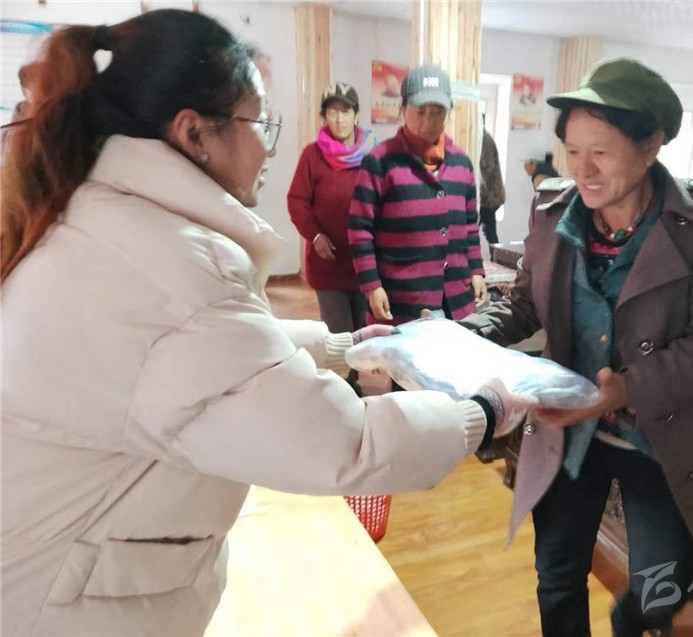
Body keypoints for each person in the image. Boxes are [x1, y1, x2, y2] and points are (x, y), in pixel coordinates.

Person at [0, 12, 528, 636]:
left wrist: (343, 346)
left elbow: (216, 360)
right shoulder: (170, 268)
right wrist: (482, 411)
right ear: (195, 133)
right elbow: (344, 444)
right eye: (261, 123)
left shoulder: (119, 227)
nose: (270, 146)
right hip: (59, 602)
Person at [459, 58, 693, 637]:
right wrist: (456, 333)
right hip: (568, 429)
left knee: (659, 590)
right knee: (556, 574)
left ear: (650, 146)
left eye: (600, 151)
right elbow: (524, 303)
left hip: (663, 433)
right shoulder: (553, 212)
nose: (582, 169)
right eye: (573, 151)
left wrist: (629, 389)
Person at [348, 63, 487, 326]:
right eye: (420, 111)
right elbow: (360, 230)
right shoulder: (380, 162)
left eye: (438, 112)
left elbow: (470, 226)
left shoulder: (461, 163)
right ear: (403, 109)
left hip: (456, 297)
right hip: (401, 300)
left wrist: (477, 270)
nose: (428, 122)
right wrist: (372, 285)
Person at [287, 82, 377, 395]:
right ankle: (343, 391)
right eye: (332, 112)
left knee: (362, 331)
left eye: (345, 111)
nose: (339, 119)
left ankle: (354, 383)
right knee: (338, 332)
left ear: (356, 116)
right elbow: (297, 200)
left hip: (365, 264)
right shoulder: (312, 156)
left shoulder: (372, 155)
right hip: (329, 263)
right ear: (324, 117)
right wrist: (315, 236)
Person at [478, 121, 505, 245]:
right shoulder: (484, 139)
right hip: (488, 196)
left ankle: (494, 254)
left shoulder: (484, 141)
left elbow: (487, 169)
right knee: (489, 231)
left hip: (489, 197)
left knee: (489, 233)